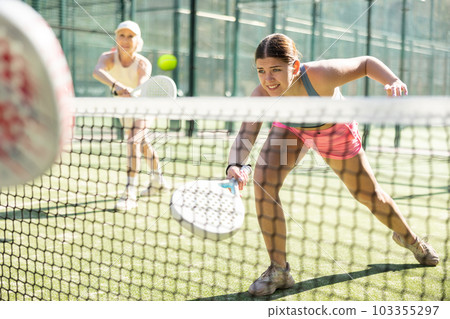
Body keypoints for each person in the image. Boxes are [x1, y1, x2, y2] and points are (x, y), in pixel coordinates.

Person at [226, 33, 439, 296]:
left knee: (368, 195)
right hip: (291, 130)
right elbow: (247, 132)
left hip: (334, 131)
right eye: (261, 71)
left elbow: (365, 63)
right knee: (263, 181)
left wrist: (392, 81)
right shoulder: (261, 94)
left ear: (294, 67)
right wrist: (235, 164)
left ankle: (410, 239)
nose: (268, 79)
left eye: (275, 70)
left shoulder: (321, 75)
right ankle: (279, 269)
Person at [93, 20, 167, 211]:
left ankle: (129, 193)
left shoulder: (143, 63)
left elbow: (142, 85)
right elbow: (97, 71)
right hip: (124, 109)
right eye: (122, 35)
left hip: (143, 106)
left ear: (137, 41)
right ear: (116, 38)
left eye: (130, 36)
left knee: (133, 141)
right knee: (143, 145)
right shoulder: (108, 57)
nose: (125, 40)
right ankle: (158, 180)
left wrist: (134, 92)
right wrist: (116, 86)